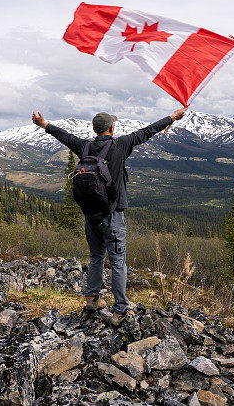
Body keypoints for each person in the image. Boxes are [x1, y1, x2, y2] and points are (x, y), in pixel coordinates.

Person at [31, 107, 187, 325]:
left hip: (91, 215)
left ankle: (91, 299)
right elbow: (147, 131)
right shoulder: (120, 145)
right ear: (111, 128)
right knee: (117, 263)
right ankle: (120, 310)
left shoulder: (83, 146)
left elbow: (64, 137)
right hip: (113, 215)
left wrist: (44, 125)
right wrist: (172, 117)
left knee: (96, 257)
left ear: (95, 129)